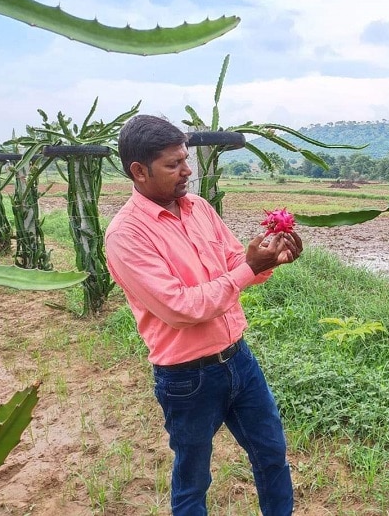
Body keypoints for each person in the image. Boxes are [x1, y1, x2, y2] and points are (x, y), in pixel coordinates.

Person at [104, 114, 302, 515]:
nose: (186, 171)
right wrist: (248, 270)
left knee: (272, 455)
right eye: (173, 164)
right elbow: (181, 307)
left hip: (239, 360)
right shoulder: (126, 235)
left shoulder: (198, 207)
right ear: (138, 171)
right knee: (193, 480)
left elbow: (234, 261)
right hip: (186, 378)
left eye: (185, 159)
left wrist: (267, 259)